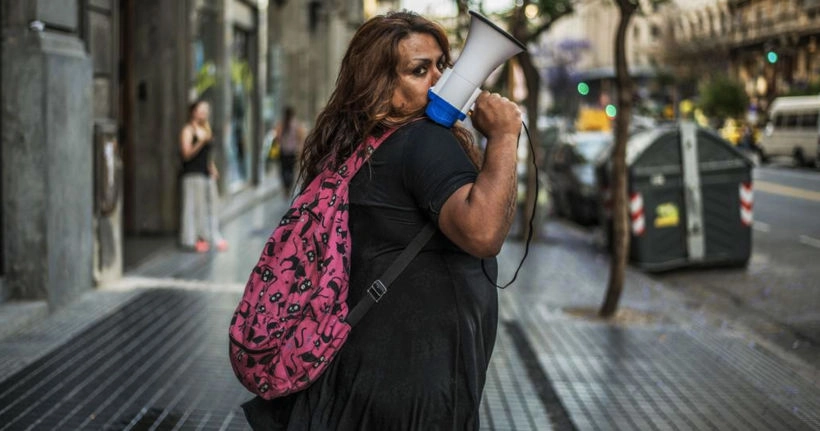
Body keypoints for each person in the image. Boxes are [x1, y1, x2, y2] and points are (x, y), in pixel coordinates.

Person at [243, 10, 521, 430]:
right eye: (419, 70)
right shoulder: (423, 141)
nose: (439, 78)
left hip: (363, 376)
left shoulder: (365, 147)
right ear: (383, 88)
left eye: (441, 65)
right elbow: (484, 231)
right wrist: (503, 136)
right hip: (413, 387)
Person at [178, 99, 228, 253]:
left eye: (206, 110)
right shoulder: (188, 130)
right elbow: (186, 154)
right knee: (193, 207)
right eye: (201, 110)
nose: (204, 113)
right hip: (192, 174)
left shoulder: (206, 129)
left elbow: (207, 155)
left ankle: (208, 236)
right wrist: (200, 142)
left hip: (205, 174)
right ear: (194, 111)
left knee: (209, 206)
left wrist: (212, 167)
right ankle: (192, 239)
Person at [274, 106, 306, 198]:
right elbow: (300, 137)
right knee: (291, 170)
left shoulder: (281, 124)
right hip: (292, 152)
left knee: (283, 170)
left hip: (283, 152)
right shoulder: (296, 124)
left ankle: (285, 187)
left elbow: (277, 138)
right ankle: (288, 187)